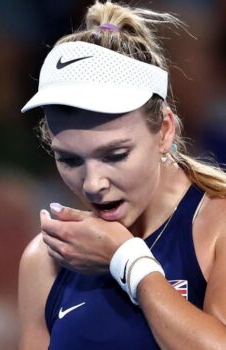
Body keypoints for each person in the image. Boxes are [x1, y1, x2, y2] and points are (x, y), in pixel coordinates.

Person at [19, 1, 226, 349]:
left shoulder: (218, 225)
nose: (92, 184)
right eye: (69, 159)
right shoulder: (45, 259)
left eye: (115, 155)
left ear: (164, 130)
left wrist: (129, 261)